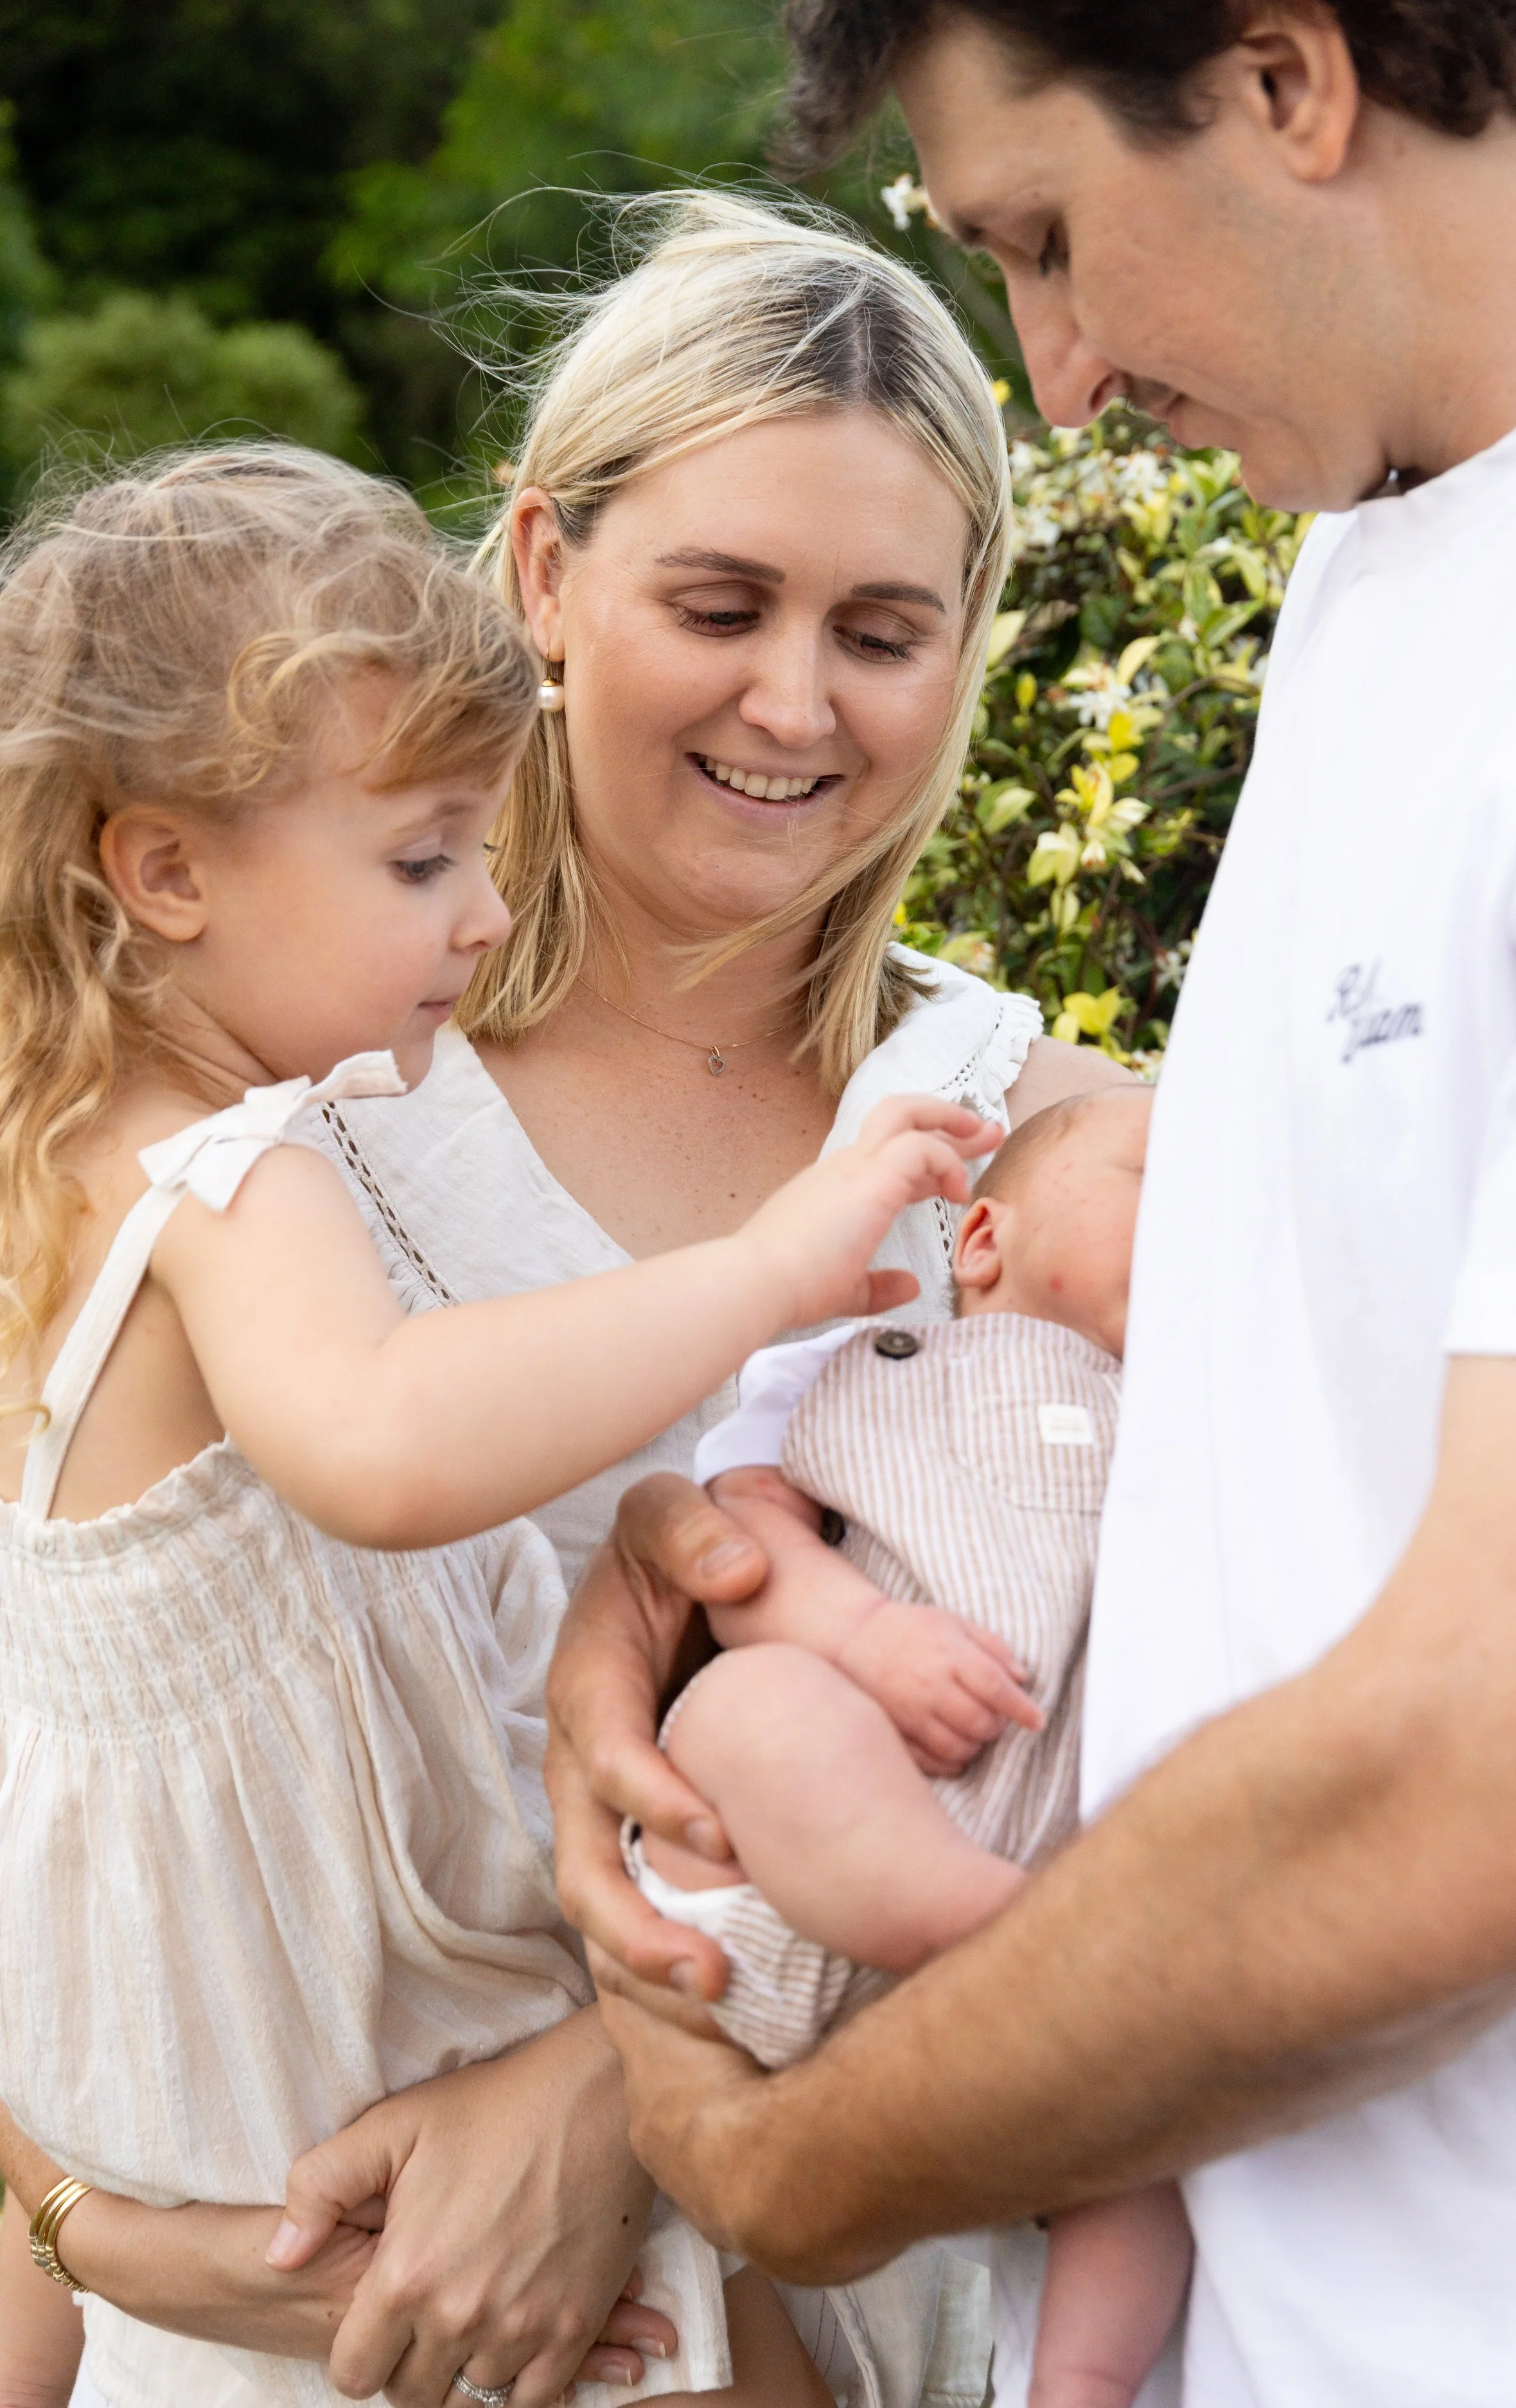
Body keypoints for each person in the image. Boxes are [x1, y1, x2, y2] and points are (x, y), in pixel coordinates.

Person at [543, 8, 1516, 2405]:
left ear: (1286, 78)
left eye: (1042, 239)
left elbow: (1503, 1781)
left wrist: (794, 2161)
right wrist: (696, 1596)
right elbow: (1261, 1391)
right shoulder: (1387, 544)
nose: (1064, 375)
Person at [0, 443, 1001, 2408]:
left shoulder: (55, 1161)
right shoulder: (236, 1171)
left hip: (199, 2113)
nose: (482, 907)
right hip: (380, 2059)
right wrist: (771, 1262)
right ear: (169, 871)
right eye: (419, 858)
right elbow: (387, 1444)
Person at [247, 192, 1129, 2408]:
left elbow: (1218, 1763)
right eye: (719, 602)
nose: (794, 701)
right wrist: (76, 2232)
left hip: (879, 2308)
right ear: (546, 571)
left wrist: (611, 2089)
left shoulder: (1058, 1157)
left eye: (883, 629)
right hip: (325, 2308)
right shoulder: (294, 1116)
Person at [625, 1086, 1192, 2408]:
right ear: (981, 1240)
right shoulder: (869, 1370)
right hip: (784, 1882)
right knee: (748, 1706)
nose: (1204, 1223)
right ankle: (986, 1916)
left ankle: (1080, 2377)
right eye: (1165, 1179)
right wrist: (863, 1632)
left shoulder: (1208, 1435)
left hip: (1022, 2017)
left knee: (1170, 2116)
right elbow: (736, 1547)